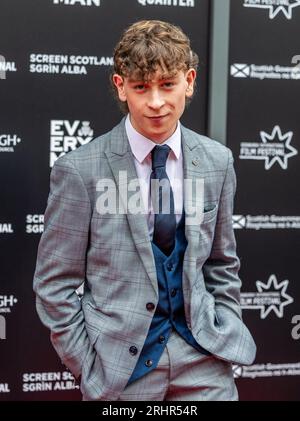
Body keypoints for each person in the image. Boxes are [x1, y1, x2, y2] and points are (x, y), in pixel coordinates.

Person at [33, 20, 256, 401]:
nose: (156, 102)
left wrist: (225, 322)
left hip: (205, 361)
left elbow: (221, 262)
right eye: (141, 87)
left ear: (189, 81)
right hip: (121, 373)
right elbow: (54, 285)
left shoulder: (218, 162)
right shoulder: (80, 170)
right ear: (121, 87)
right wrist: (89, 366)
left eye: (167, 84)